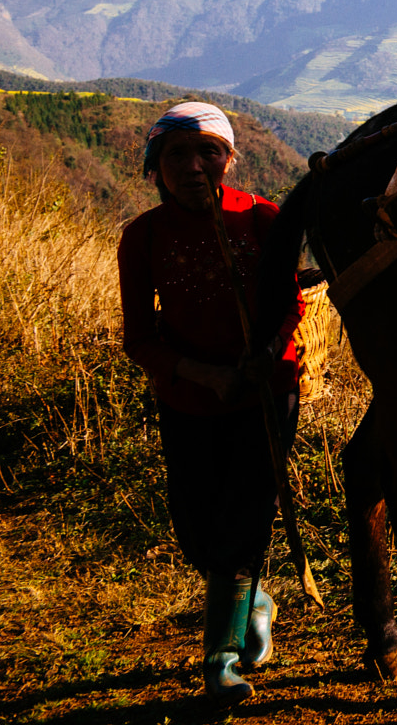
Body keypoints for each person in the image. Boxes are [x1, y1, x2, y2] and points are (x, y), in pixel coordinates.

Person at [117, 102, 302, 707]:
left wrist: (266, 353)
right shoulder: (142, 237)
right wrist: (202, 374)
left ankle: (219, 660)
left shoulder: (263, 219)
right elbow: (140, 337)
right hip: (189, 399)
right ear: (155, 165)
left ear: (228, 158)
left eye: (209, 153)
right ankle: (253, 599)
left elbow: (291, 304)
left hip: (266, 397)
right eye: (177, 155)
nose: (195, 167)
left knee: (242, 524)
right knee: (196, 532)